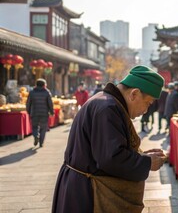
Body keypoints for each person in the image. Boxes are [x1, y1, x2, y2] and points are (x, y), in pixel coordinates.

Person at [52, 65, 167, 213]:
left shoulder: (107, 102)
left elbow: (108, 151)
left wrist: (140, 156)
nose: (146, 110)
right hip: (86, 192)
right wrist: (147, 162)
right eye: (148, 103)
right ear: (134, 94)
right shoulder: (108, 108)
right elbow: (111, 159)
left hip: (81, 184)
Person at [26, 78, 54, 147]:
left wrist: (28, 111)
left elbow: (28, 103)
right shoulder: (47, 92)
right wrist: (52, 112)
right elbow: (50, 103)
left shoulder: (32, 92)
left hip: (34, 113)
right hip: (44, 113)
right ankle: (41, 142)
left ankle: (36, 136)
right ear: (44, 85)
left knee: (34, 127)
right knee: (43, 128)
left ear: (36, 84)